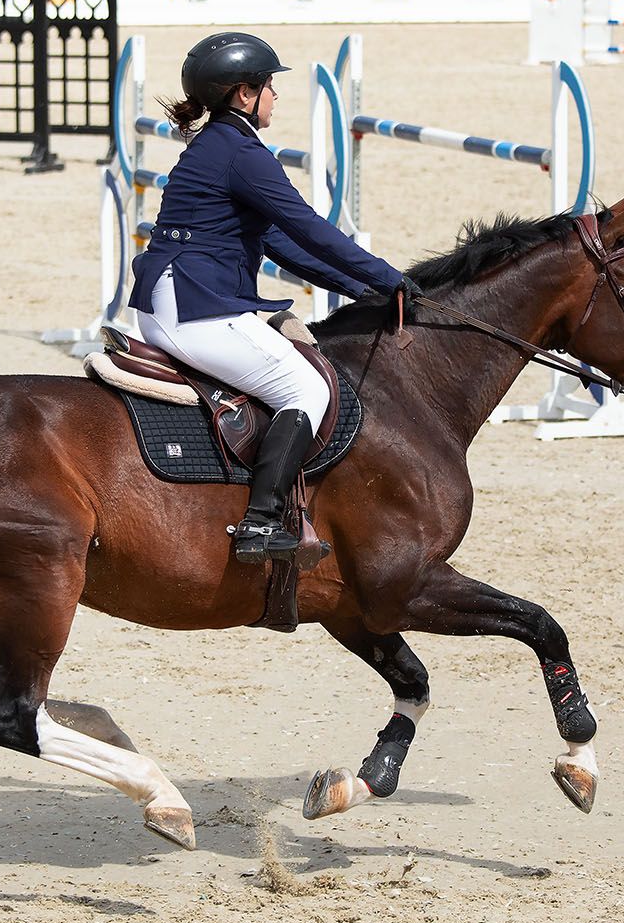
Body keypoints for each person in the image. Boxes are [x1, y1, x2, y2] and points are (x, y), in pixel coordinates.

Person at [128, 33, 419, 564]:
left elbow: (280, 244)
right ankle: (259, 525)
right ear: (244, 94)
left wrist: (362, 289)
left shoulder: (218, 144)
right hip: (195, 308)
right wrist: (389, 276)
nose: (275, 98)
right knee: (306, 390)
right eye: (269, 87)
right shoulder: (241, 153)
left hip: (181, 297)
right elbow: (307, 226)